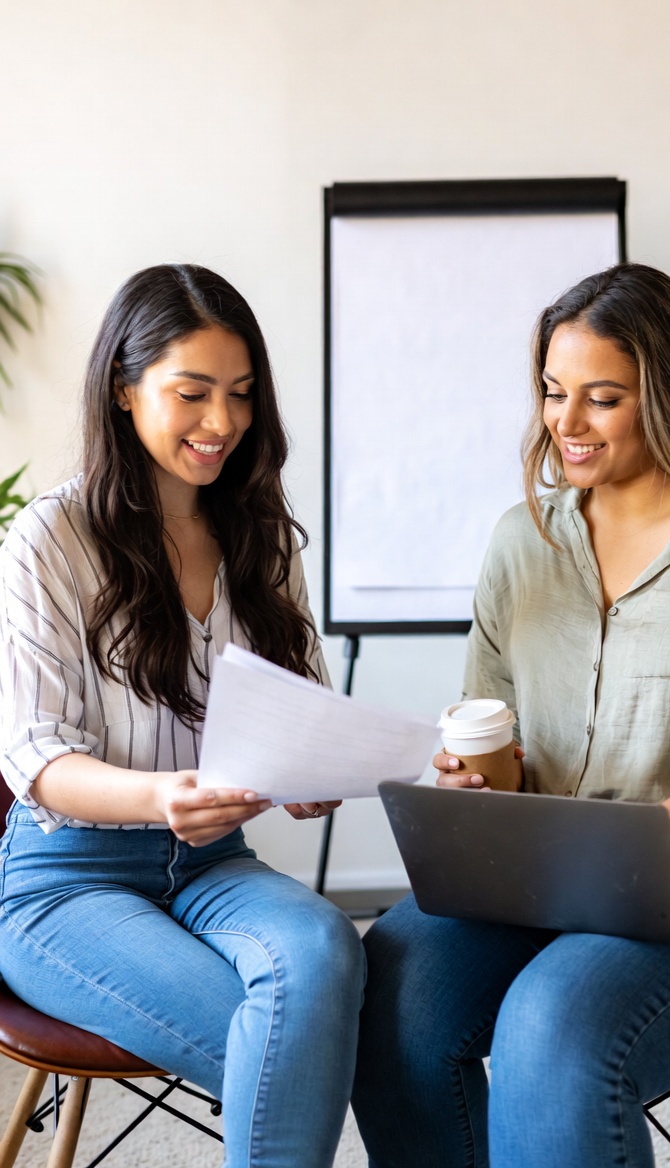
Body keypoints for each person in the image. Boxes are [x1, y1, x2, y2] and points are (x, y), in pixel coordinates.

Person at [351, 262, 670, 1168]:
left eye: (603, 398)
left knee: (553, 1031)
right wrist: (473, 781)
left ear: (667, 394)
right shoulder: (524, 538)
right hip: (542, 866)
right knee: (384, 991)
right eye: (554, 392)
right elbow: (495, 722)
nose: (566, 423)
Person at [0, 264, 365, 1168]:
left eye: (241, 395)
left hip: (214, 865)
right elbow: (35, 758)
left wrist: (312, 777)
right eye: (192, 393)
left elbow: (300, 707)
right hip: (65, 882)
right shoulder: (50, 538)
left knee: (323, 946)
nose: (223, 423)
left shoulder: (259, 531)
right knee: (301, 1035)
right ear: (125, 391)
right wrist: (163, 794)